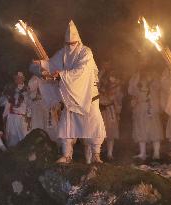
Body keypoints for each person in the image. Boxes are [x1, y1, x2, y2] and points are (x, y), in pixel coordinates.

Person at [32, 20, 106, 164]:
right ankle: (67, 155)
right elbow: (52, 63)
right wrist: (41, 64)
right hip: (71, 97)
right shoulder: (63, 53)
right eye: (68, 44)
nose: (70, 46)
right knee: (66, 126)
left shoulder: (86, 52)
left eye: (72, 43)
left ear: (78, 41)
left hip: (87, 96)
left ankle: (96, 155)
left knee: (93, 125)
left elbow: (82, 71)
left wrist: (62, 75)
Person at [128, 64, 163, 160]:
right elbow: (131, 91)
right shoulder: (136, 76)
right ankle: (142, 153)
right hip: (140, 108)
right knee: (140, 129)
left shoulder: (155, 77)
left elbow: (159, 87)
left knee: (154, 129)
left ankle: (156, 153)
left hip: (152, 108)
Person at [99, 64, 123, 160]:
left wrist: (117, 110)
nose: (112, 78)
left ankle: (110, 153)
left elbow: (117, 100)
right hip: (101, 111)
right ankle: (98, 152)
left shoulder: (117, 88)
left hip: (110, 111)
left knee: (111, 132)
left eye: (114, 76)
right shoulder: (102, 86)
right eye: (111, 76)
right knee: (100, 132)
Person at [2, 72, 31, 147]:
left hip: (22, 118)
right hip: (12, 117)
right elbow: (7, 105)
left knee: (24, 139)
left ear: (23, 79)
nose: (18, 79)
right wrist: (5, 117)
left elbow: (29, 104)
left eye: (19, 77)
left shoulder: (28, 90)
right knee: (12, 140)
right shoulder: (11, 90)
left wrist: (29, 116)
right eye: (16, 78)